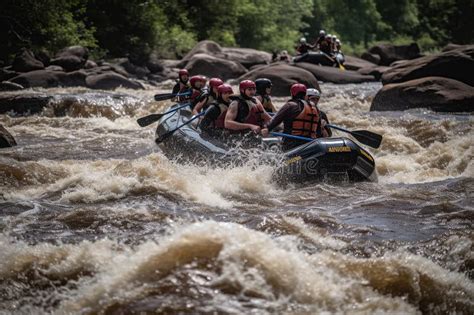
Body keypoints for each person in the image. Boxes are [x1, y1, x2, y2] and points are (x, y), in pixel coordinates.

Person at [261, 83, 320, 151]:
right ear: (305, 95)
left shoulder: (290, 105)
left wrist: (267, 128)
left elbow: (277, 119)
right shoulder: (315, 108)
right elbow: (318, 128)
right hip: (311, 143)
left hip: (292, 142)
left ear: (292, 94)